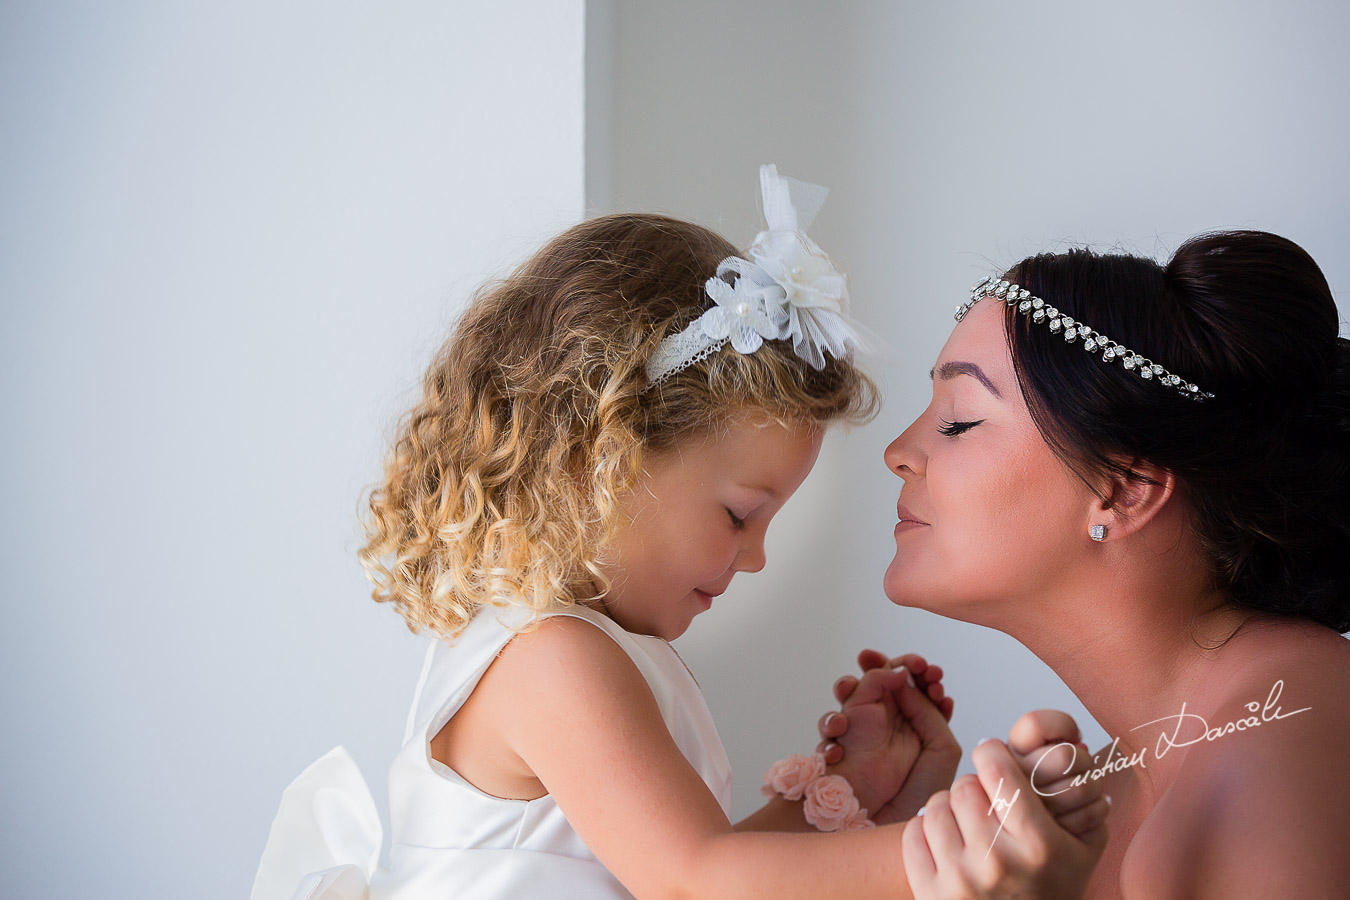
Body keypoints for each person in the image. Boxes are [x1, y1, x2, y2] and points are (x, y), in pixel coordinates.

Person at [250, 166, 1105, 900]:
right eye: (739, 514)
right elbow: (698, 880)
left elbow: (691, 871)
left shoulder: (580, 648)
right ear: (601, 455)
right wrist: (956, 857)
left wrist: (849, 790)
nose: (757, 556)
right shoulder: (551, 656)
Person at [826, 230, 1350, 896]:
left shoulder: (1282, 743)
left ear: (1123, 489)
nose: (898, 451)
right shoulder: (1099, 792)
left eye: (958, 420)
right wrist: (894, 823)